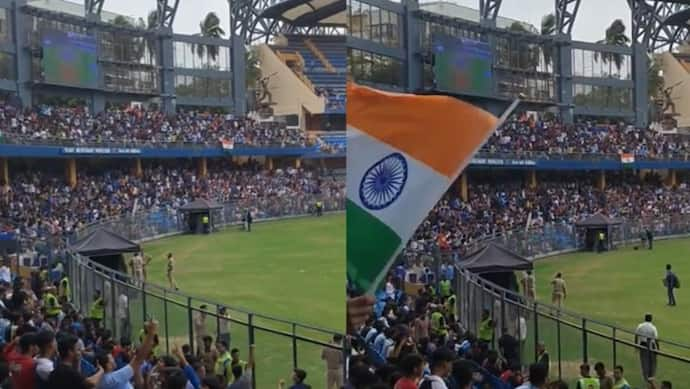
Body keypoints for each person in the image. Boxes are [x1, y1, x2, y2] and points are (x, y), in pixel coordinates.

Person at [95, 319, 158, 389]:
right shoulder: (112, 379)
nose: (114, 359)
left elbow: (139, 382)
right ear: (108, 365)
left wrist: (133, 360)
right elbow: (139, 359)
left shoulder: (105, 379)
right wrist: (151, 333)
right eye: (111, 359)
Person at [635, 313, 658, 382]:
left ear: (645, 318)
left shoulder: (640, 326)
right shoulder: (653, 327)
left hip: (643, 345)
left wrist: (636, 345)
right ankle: (651, 377)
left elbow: (636, 335)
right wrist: (658, 349)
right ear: (651, 319)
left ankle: (646, 378)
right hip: (652, 345)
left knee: (644, 362)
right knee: (653, 362)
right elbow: (656, 339)